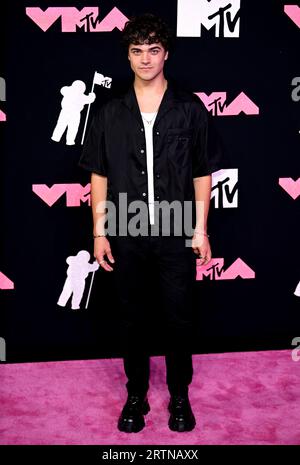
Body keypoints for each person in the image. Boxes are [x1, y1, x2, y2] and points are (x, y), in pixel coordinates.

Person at [78, 13, 224, 433]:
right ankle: (136, 395)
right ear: (127, 56)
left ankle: (179, 396)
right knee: (132, 319)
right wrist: (100, 232)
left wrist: (200, 229)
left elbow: (202, 173)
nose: (145, 59)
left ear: (166, 54)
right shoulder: (108, 114)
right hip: (126, 229)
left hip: (177, 230)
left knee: (179, 318)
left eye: (153, 50)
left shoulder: (190, 108)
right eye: (137, 51)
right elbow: (99, 175)